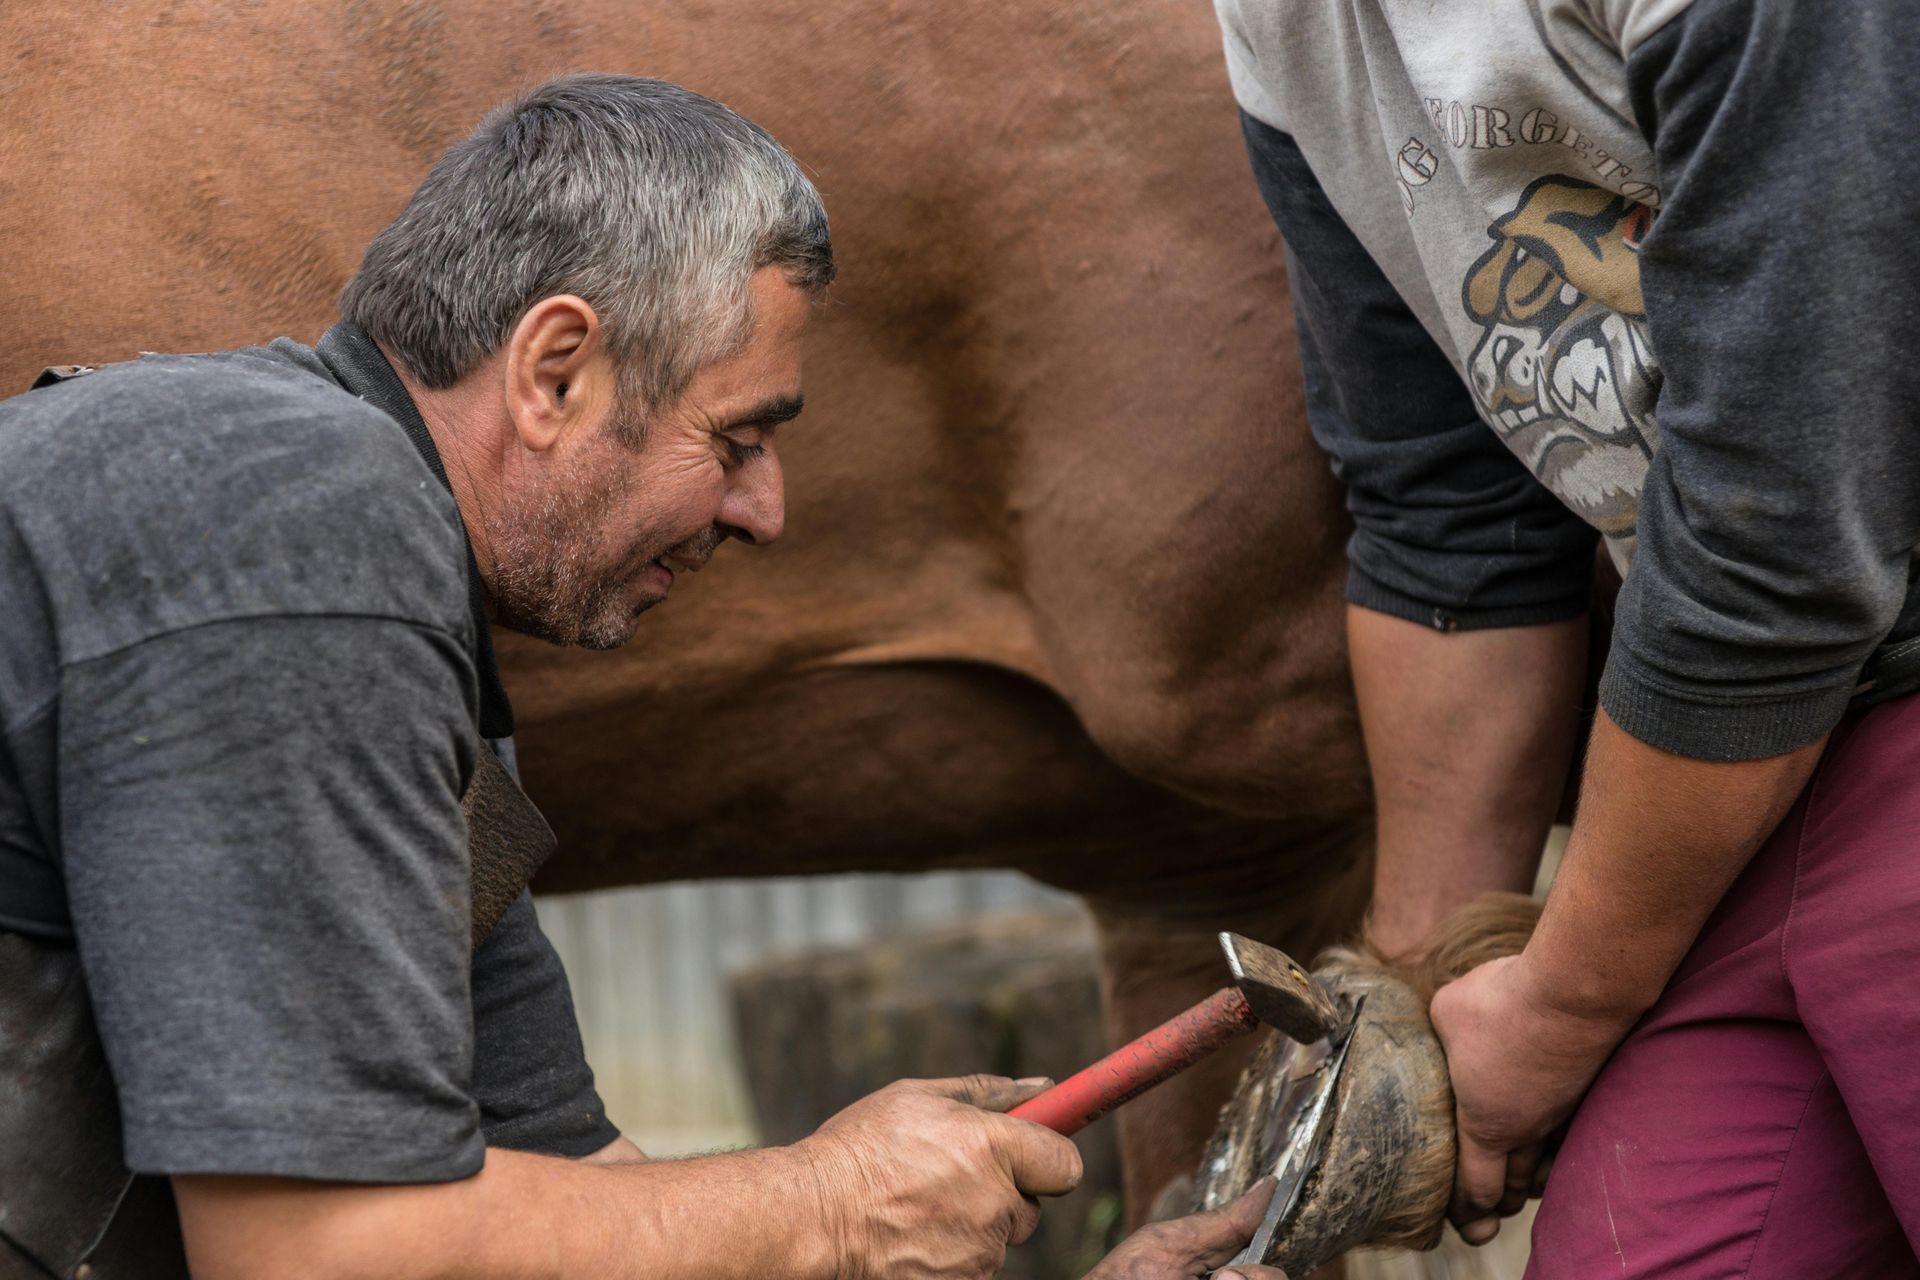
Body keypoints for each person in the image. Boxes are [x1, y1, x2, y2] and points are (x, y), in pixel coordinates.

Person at [0, 73, 1288, 1280]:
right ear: (556, 371)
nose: (765, 511)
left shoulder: (420, 671)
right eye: (735, 439)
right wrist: (829, 1199)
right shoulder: (296, 514)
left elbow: (587, 1204)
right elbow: (314, 1249)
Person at [1210, 1, 1920, 1275]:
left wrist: (1558, 1006)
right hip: (1749, 761)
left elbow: (1786, 538)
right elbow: (1445, 514)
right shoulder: (1281, 24)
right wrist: (1418, 1008)